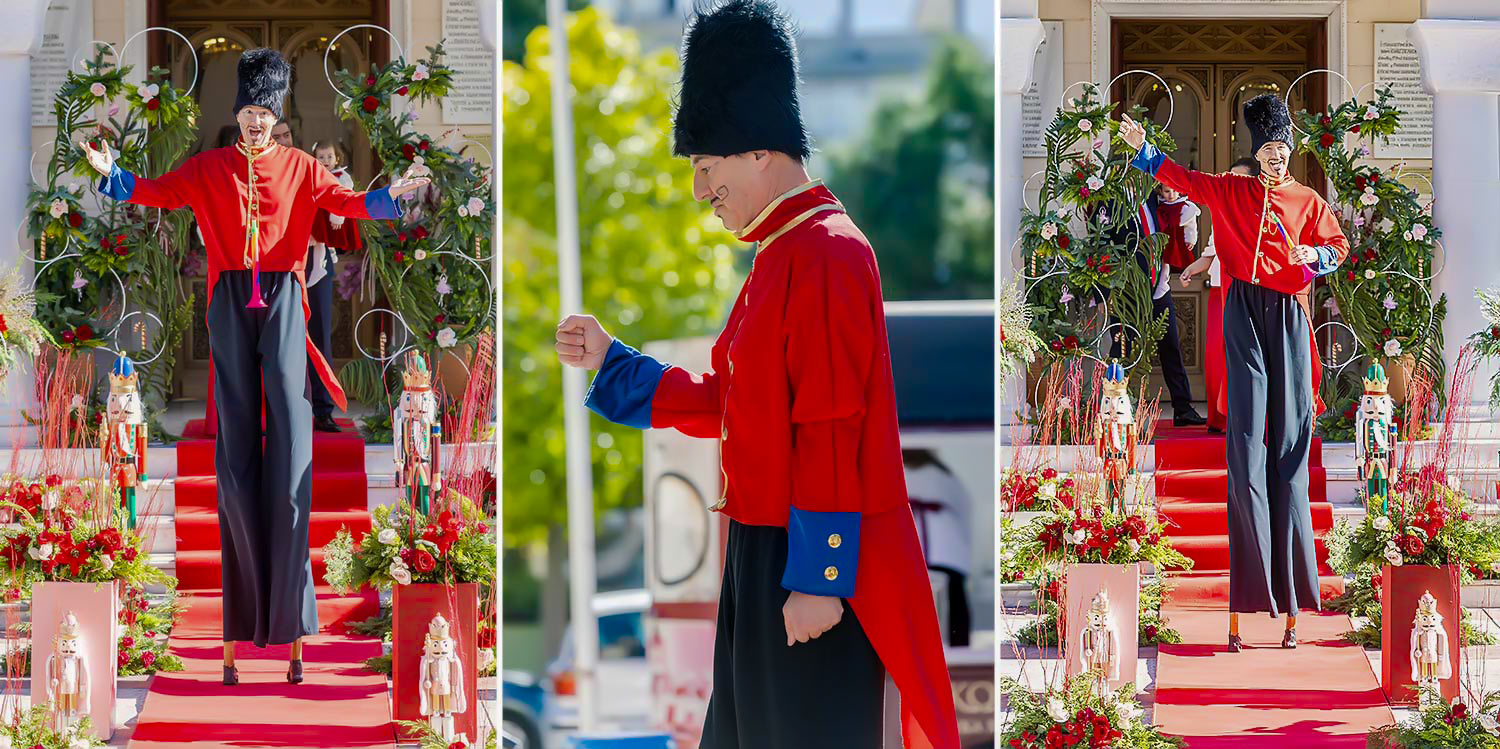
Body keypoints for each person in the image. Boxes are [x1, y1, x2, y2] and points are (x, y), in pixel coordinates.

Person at [554, 2, 958, 747]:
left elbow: (832, 426)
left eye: (706, 168)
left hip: (806, 562)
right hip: (764, 554)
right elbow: (737, 404)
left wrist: (820, 578)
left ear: (757, 149)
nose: (701, 191)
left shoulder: (828, 253)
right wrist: (617, 363)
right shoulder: (781, 255)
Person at [81, 48, 428, 684]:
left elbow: (348, 209)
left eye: (264, 112)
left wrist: (391, 198)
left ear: (277, 113)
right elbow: (156, 193)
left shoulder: (300, 166)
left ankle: (291, 619)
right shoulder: (208, 167)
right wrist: (111, 175)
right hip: (228, 300)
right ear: (237, 113)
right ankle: (242, 621)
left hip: (288, 299)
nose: (255, 123)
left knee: (293, 450)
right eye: (246, 112)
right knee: (236, 459)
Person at [1121, 94, 1349, 651]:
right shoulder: (1231, 190)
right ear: (1257, 151)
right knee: (1245, 449)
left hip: (1291, 317)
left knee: (1290, 450)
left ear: (1291, 152)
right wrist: (1145, 152)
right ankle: (1248, 601)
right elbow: (1183, 177)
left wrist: (1313, 259)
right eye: (1268, 148)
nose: (1275, 157)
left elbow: (1339, 246)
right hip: (1244, 312)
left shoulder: (1308, 200)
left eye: (1282, 148)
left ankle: (1293, 602)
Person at [1104, 186, 1206, 427]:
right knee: (1121, 350)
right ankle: (1118, 410)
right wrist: (1105, 295)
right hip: (1126, 292)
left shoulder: (1156, 199)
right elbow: (1104, 244)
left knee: (1171, 346)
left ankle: (1183, 408)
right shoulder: (1110, 200)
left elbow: (1179, 214)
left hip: (1159, 286)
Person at [1181, 157, 1261, 434]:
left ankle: (1245, 418)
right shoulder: (1223, 211)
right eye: (1231, 177)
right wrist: (1190, 269)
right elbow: (1210, 253)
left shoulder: (1260, 212)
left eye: (1240, 179)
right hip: (1217, 292)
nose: (1233, 183)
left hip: (1245, 292)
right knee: (1217, 357)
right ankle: (1220, 418)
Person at [305, 140, 363, 432]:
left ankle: (323, 409)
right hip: (285, 262)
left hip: (318, 261)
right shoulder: (303, 174)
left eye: (328, 157)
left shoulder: (338, 179)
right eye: (320, 157)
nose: (324, 161)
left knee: (319, 338)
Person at [903, 448, 973, 647]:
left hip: (936, 546)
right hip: (947, 548)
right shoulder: (946, 476)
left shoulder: (939, 476)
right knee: (953, 600)